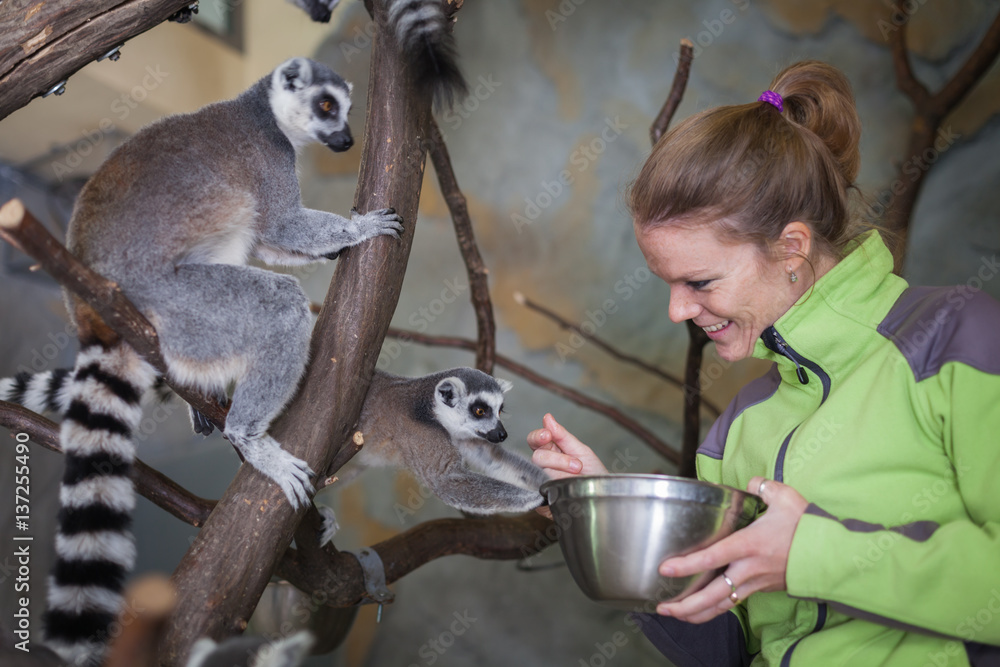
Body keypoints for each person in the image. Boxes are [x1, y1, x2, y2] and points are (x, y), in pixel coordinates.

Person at [528, 61, 1000, 666]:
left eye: (699, 280)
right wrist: (611, 517)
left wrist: (812, 553)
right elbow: (725, 649)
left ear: (791, 248)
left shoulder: (958, 338)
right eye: (667, 284)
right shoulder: (740, 429)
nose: (677, 310)